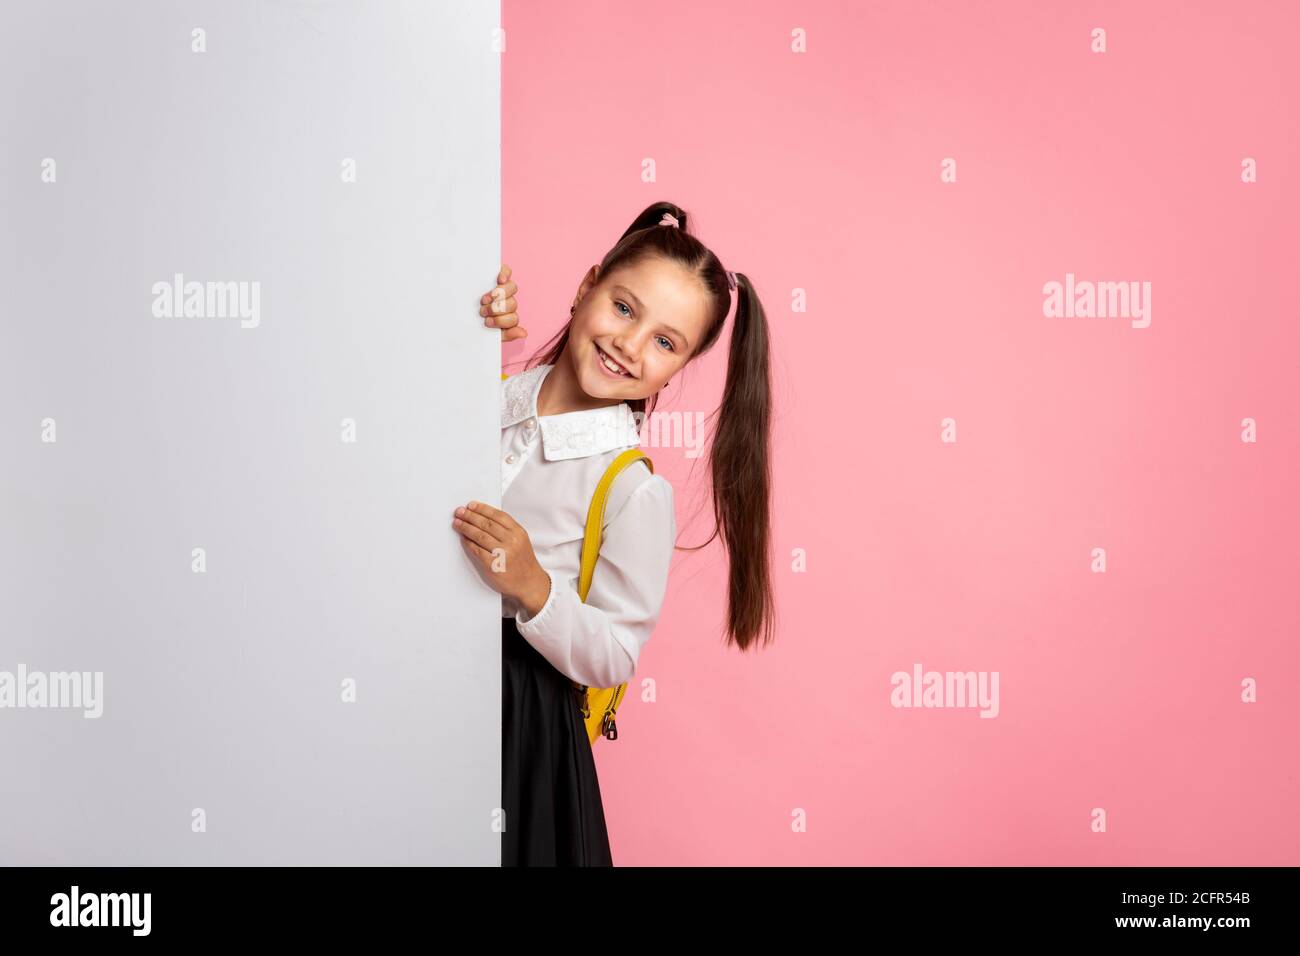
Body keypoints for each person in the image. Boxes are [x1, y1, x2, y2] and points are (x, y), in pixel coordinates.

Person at [453, 201, 776, 866]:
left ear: (678, 367)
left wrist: (537, 590)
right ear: (585, 287)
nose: (630, 344)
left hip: (520, 725)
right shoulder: (478, 392)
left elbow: (615, 654)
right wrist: (469, 328)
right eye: (624, 308)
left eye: (665, 342)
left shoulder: (632, 490)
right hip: (411, 670)